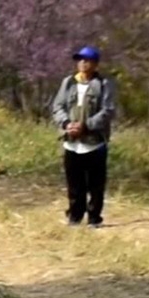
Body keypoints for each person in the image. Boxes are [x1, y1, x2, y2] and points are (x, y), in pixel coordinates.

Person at [50, 45, 117, 228]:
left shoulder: (104, 84)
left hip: (94, 143)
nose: (82, 63)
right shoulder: (69, 82)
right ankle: (74, 217)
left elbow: (108, 111)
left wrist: (86, 126)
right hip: (71, 143)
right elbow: (58, 107)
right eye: (79, 59)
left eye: (86, 60)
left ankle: (94, 218)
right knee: (74, 184)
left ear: (95, 64)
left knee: (95, 184)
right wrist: (66, 124)